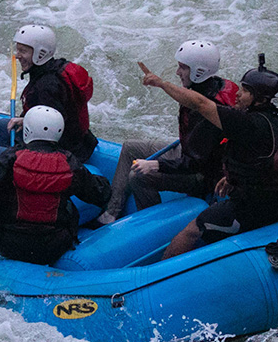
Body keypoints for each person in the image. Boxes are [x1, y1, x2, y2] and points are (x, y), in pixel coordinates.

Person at [138, 53, 278, 259]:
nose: (238, 94)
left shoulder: (246, 123)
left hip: (251, 209)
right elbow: (262, 163)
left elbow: (200, 103)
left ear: (260, 100)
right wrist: (233, 178)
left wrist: (162, 83)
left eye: (245, 91)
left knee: (191, 231)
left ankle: (156, 276)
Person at [96, 40, 237, 224]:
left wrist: (155, 165)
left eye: (182, 68)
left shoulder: (206, 116)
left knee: (138, 176)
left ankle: (153, 224)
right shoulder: (212, 85)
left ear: (198, 71)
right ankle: (112, 212)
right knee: (130, 147)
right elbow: (187, 99)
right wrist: (159, 83)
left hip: (202, 174)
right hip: (191, 152)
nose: (178, 72)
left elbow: (195, 164)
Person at [0, 105, 111, 265]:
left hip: (8, 243)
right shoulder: (69, 163)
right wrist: (105, 183)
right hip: (54, 246)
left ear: (27, 130)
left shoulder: (10, 159)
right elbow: (99, 194)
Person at [0, 24, 97, 173]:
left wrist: (17, 155)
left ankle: (15, 175)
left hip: (60, 152)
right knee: (1, 126)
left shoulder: (47, 87)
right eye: (18, 49)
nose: (17, 55)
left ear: (40, 53)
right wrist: (25, 120)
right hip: (77, 143)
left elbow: (50, 136)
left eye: (23, 51)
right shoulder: (51, 69)